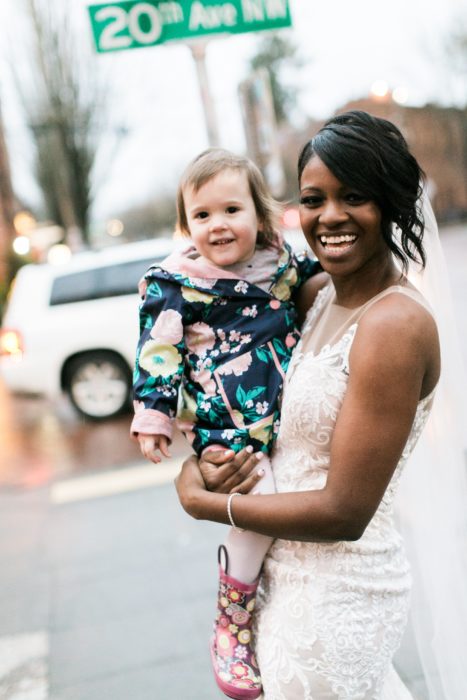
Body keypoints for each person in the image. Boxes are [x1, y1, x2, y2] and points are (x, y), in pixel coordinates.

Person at [174, 111, 455, 699]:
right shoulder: (316, 295)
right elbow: (234, 386)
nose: (329, 216)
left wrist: (211, 504)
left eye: (354, 196)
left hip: (339, 595)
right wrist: (202, 459)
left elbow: (344, 511)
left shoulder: (395, 324)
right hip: (280, 579)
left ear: (392, 203)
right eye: (313, 199)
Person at [130, 148, 321, 699]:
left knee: (295, 502)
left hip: (288, 414)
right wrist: (154, 417)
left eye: (232, 209)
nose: (218, 225)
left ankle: (273, 611)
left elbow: (324, 284)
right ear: (186, 224)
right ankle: (232, 621)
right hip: (228, 425)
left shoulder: (281, 264)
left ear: (260, 216)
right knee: (261, 508)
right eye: (202, 215)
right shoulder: (176, 283)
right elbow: (157, 352)